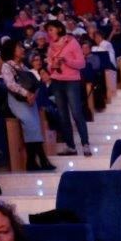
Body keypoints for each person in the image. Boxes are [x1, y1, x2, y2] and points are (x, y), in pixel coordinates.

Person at [0, 39, 54, 171]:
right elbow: (11, 85)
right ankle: (40, 159)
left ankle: (32, 161)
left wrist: (33, 95)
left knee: (35, 126)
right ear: (12, 50)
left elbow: (33, 83)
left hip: (30, 100)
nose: (22, 50)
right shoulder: (7, 66)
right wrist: (26, 94)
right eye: (19, 47)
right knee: (31, 125)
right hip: (17, 100)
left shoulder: (23, 66)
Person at [45, 20, 90, 156]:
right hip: (57, 81)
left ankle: (85, 144)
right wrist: (53, 65)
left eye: (51, 29)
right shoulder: (51, 47)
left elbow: (81, 63)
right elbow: (48, 65)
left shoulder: (72, 42)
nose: (49, 33)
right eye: (48, 31)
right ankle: (70, 146)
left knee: (76, 113)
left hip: (71, 82)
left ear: (59, 29)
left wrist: (66, 61)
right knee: (63, 115)